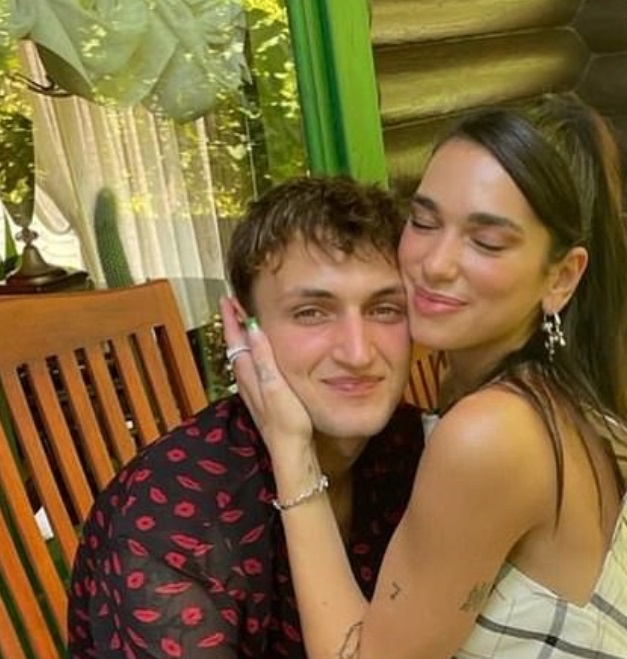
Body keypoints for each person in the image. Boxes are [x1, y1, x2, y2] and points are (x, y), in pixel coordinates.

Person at [224, 92, 627, 659]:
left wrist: (291, 453)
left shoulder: (492, 432)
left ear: (561, 277)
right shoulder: (548, 386)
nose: (435, 264)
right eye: (423, 221)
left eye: (486, 241)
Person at [66, 176, 425, 658]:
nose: (358, 353)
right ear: (241, 326)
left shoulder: (414, 451)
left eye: (385, 309)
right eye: (312, 312)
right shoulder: (175, 527)